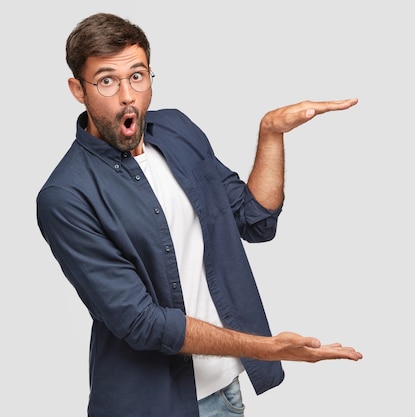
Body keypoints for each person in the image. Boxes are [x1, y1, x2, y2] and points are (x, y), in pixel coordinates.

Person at [36, 12, 362, 417]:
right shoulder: (66, 196)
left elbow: (253, 219)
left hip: (225, 394)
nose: (127, 96)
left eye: (137, 76)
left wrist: (270, 133)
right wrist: (267, 347)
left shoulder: (176, 130)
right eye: (106, 80)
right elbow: (143, 324)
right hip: (149, 407)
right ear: (77, 89)